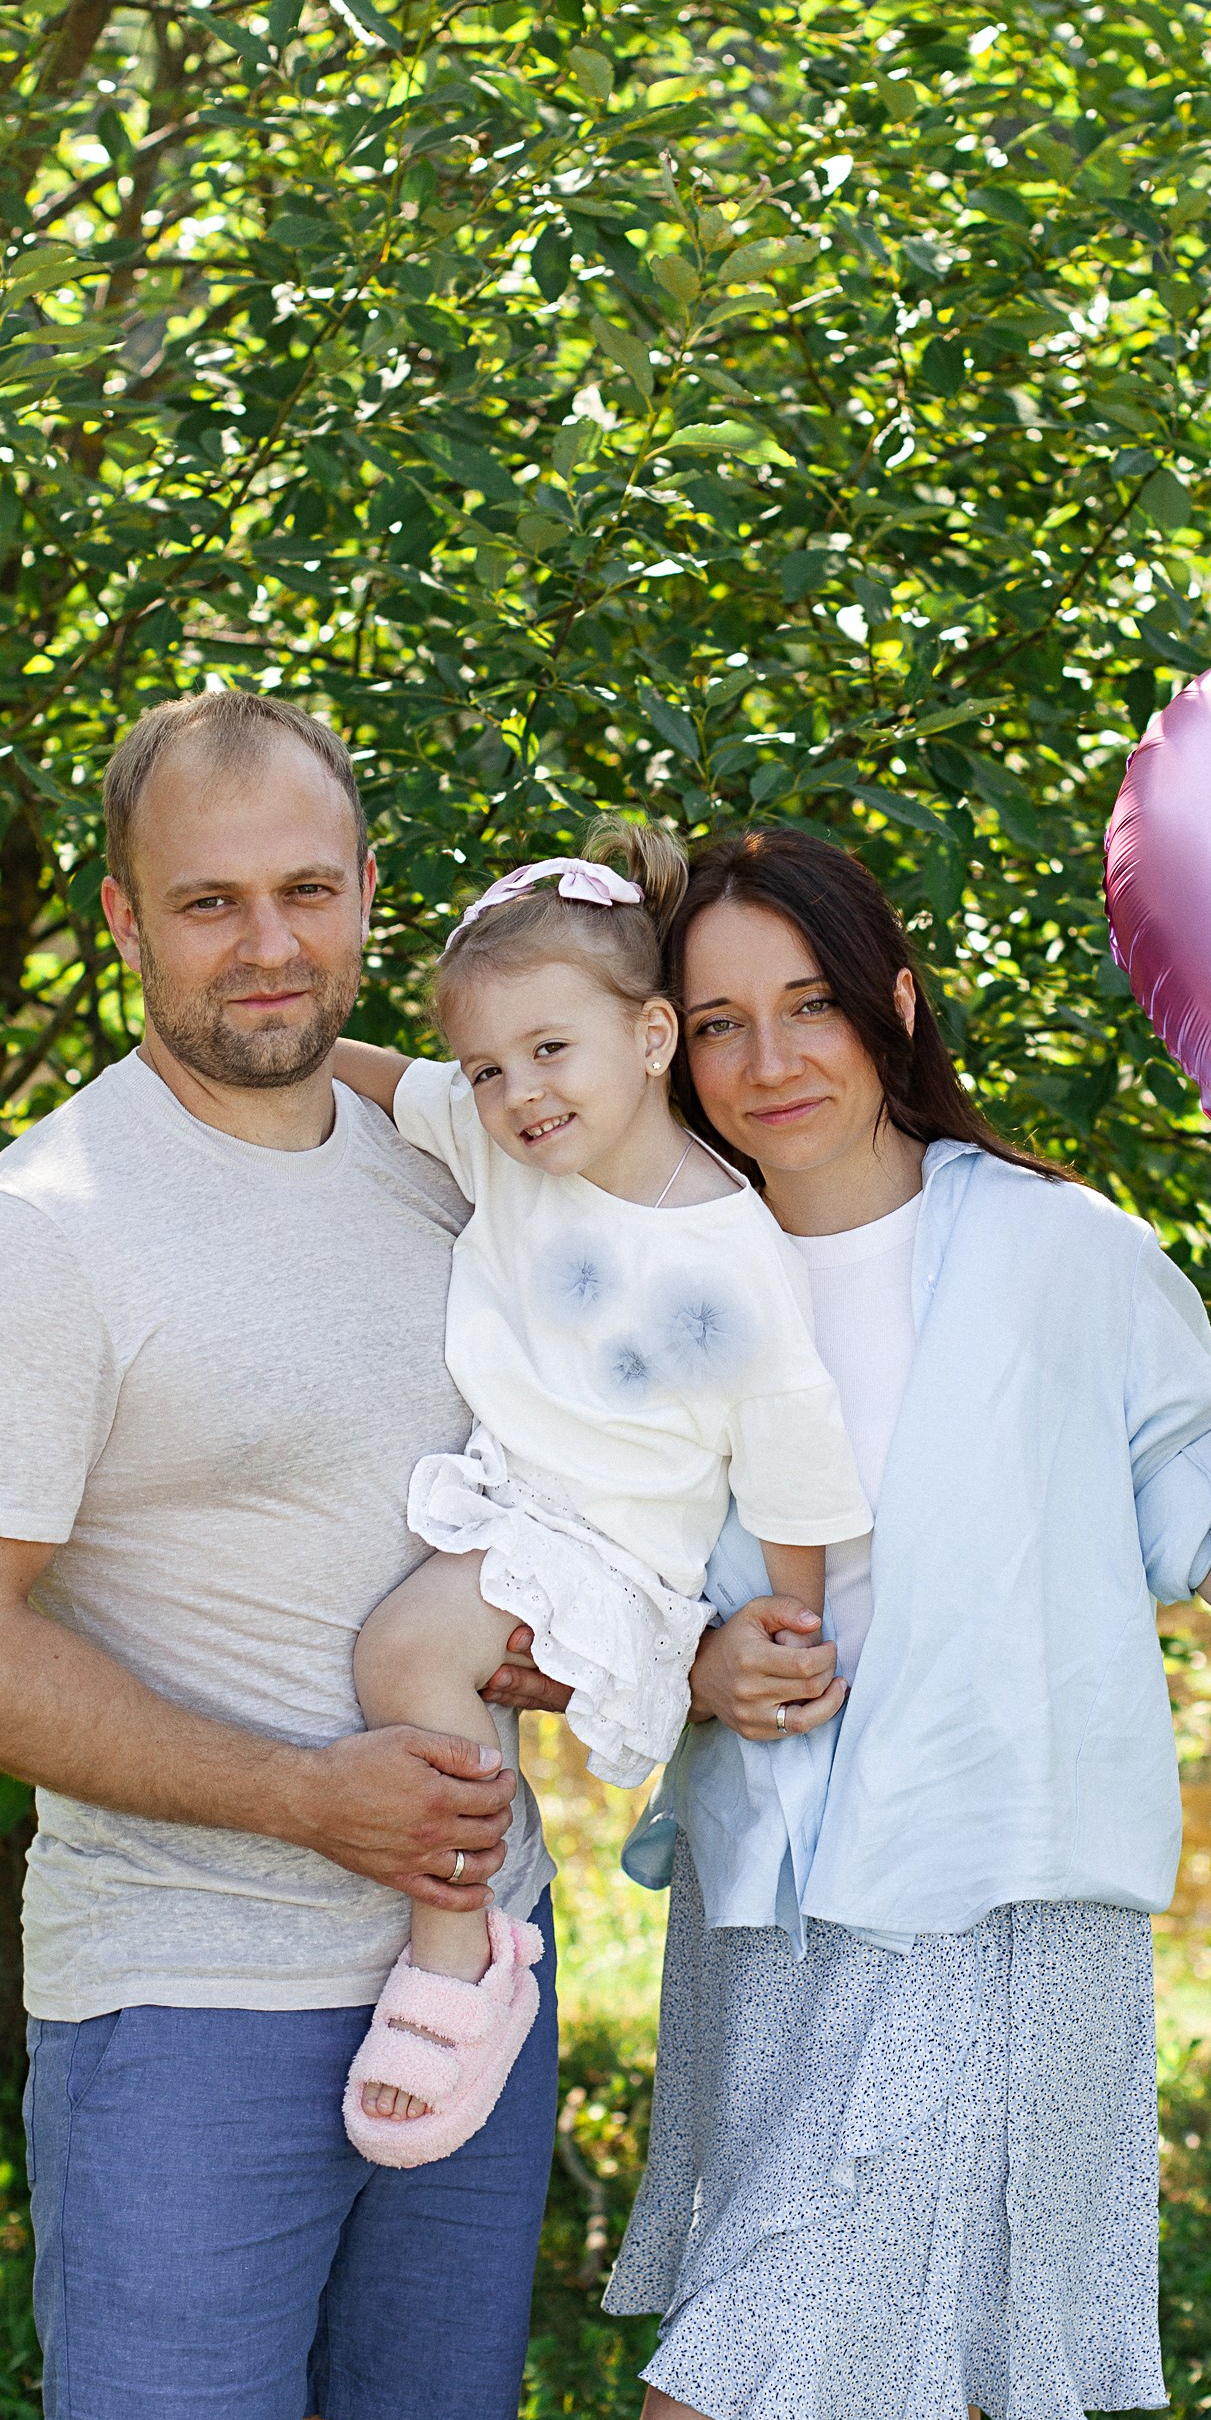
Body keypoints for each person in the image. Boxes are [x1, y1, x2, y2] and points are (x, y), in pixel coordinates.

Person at [603, 826, 1211, 2420]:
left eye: (810, 1004)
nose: (769, 1059)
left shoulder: (1064, 1252)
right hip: (762, 1931)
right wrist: (698, 1663)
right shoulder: (667, 1272)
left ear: (892, 1006)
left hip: (984, 1920)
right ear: (669, 1047)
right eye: (720, 1022)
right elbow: (594, 1578)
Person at [0, 692, 566, 2420]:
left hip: (466, 1962)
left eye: (308, 891)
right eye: (208, 900)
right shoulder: (27, 1234)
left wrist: (568, 1628)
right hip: (186, 1986)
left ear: (368, 892)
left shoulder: (445, 1159)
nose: (268, 945)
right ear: (121, 915)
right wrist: (297, 1794)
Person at [327, 829, 868, 2164]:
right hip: (515, 1507)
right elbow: (390, 1081)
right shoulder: (511, 1149)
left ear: (650, 1035)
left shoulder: (730, 1249)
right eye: (488, 1068)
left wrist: (786, 1623)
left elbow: (792, 1453)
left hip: (610, 1550)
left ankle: (462, 1952)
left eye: (549, 1051)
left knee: (400, 1654)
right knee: (418, 1661)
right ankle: (471, 1916)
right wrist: (277, 1051)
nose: (518, 1093)